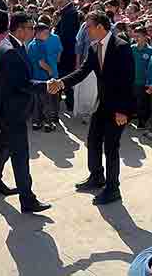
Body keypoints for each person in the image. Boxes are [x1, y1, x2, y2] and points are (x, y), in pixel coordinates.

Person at [52, 11, 135, 206]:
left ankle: (113, 189)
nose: (86, 30)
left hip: (118, 107)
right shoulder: (93, 47)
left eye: (88, 26)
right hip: (102, 104)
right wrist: (61, 83)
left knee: (111, 147)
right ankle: (96, 177)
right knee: (93, 140)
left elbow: (128, 79)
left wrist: (122, 110)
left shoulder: (121, 47)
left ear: (100, 27)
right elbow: (82, 72)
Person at [0, 12, 52, 213]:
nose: (33, 31)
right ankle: (27, 199)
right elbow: (22, 84)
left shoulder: (14, 45)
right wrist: (47, 86)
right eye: (30, 28)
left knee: (3, 147)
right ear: (19, 29)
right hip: (12, 111)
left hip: (9, 109)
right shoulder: (10, 51)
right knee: (20, 155)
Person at [54, 0, 80, 111]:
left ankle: (69, 103)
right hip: (65, 51)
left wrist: (58, 49)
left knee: (65, 77)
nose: (58, 1)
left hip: (66, 52)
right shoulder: (65, 11)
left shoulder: (70, 13)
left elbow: (65, 36)